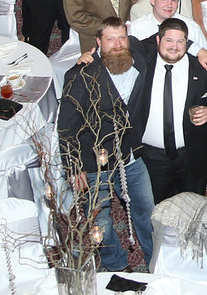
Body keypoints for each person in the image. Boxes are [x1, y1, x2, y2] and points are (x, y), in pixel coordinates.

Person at [57, 17, 155, 271]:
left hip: (131, 159)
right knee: (101, 222)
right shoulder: (81, 76)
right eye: (110, 39)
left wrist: (198, 48)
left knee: (147, 214)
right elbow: (66, 125)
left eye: (121, 37)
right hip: (93, 165)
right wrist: (73, 166)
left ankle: (155, 261)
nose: (117, 44)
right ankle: (116, 264)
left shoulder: (139, 58)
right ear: (98, 43)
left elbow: (164, 38)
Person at [131, 17, 207, 204]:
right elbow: (118, 48)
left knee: (193, 208)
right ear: (158, 41)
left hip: (192, 155)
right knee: (157, 210)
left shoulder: (201, 67)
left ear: (187, 43)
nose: (174, 46)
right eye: (169, 40)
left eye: (180, 41)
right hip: (150, 158)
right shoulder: (141, 66)